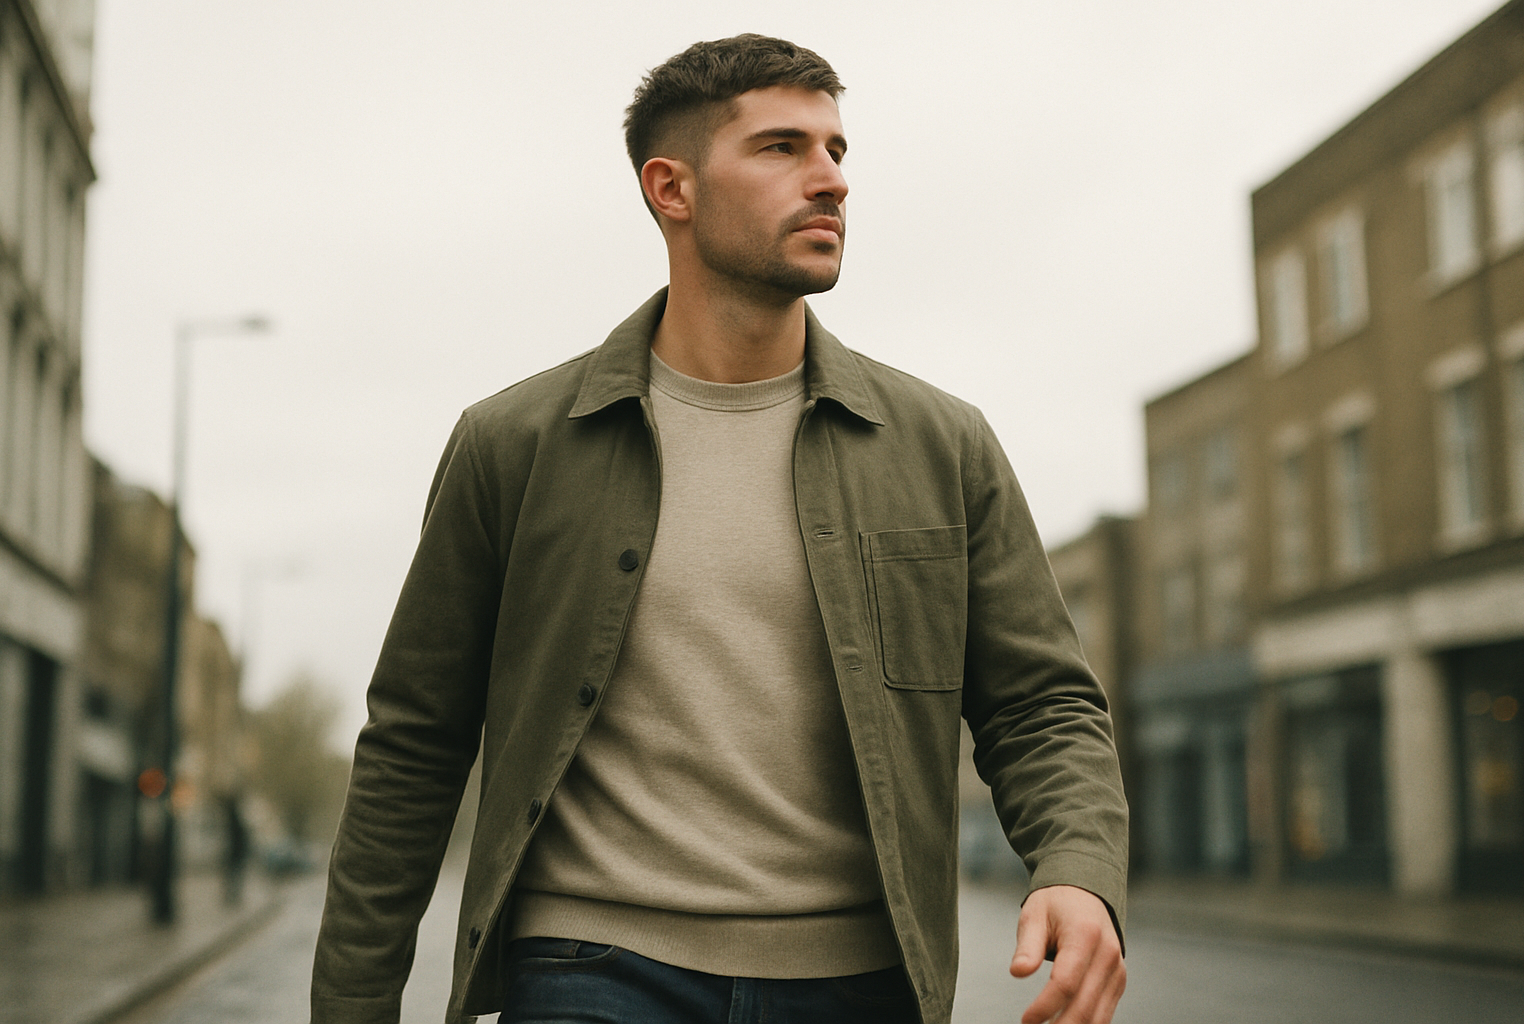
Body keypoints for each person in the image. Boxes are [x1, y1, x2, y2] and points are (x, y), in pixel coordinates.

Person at [312, 33, 1128, 1024]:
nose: (830, 180)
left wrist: (1078, 870)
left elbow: (1041, 704)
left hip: (861, 981)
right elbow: (413, 744)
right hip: (590, 964)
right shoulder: (514, 444)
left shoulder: (940, 445)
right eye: (783, 148)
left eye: (836, 150)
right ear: (672, 189)